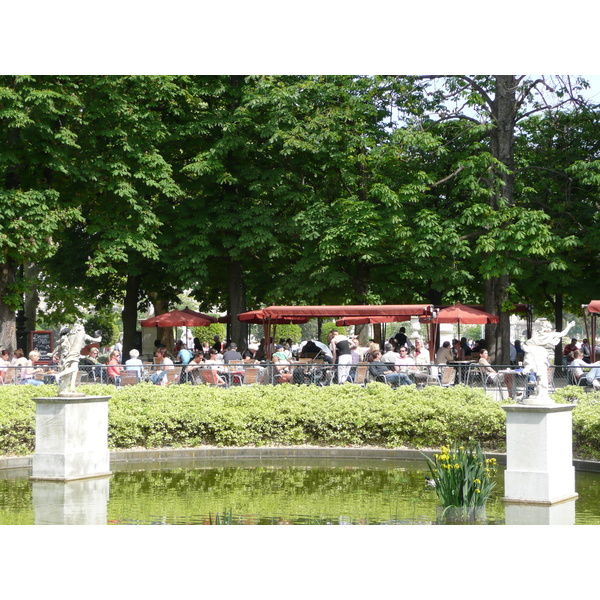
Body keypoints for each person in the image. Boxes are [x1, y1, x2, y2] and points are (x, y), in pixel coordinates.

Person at [523, 319, 575, 398]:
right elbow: (561, 334)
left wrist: (569, 326)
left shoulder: (546, 335)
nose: (545, 329)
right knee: (536, 370)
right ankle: (534, 386)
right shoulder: (539, 335)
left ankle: (538, 391)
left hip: (537, 353)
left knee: (540, 373)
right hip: (534, 352)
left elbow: (562, 334)